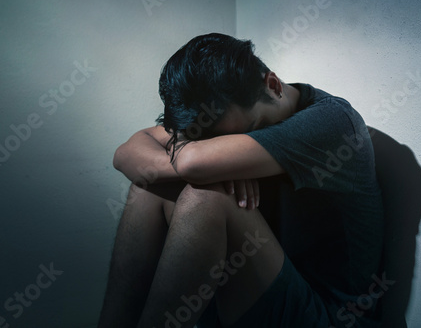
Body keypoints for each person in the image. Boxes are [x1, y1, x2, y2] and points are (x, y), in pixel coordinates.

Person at [98, 32, 384, 328]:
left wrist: (206, 163)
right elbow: (126, 154)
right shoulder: (223, 114)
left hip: (327, 315)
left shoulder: (332, 123)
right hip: (259, 289)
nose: (229, 152)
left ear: (272, 86)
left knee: (206, 197)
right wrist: (203, 162)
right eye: (218, 143)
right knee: (151, 186)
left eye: (250, 132)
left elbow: (192, 161)